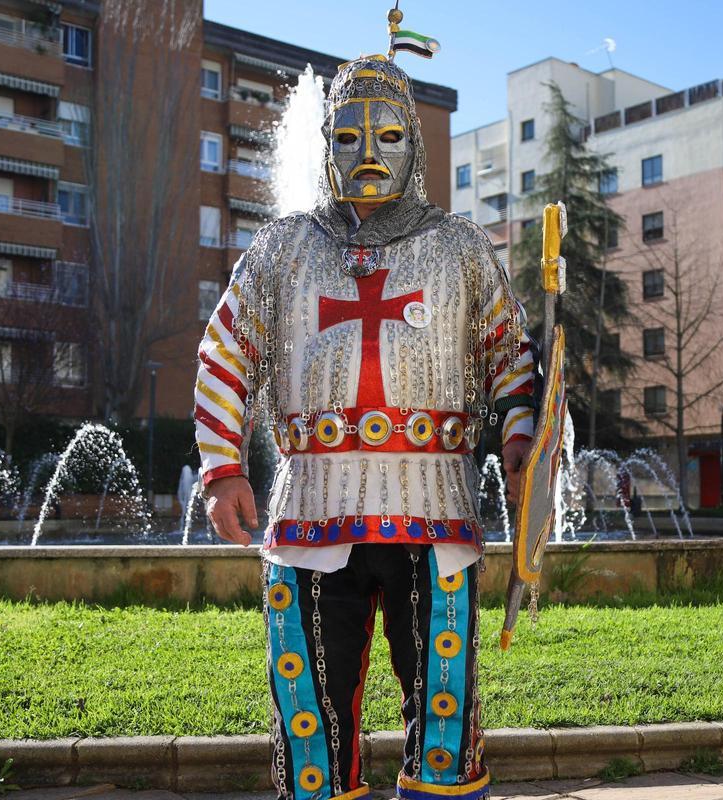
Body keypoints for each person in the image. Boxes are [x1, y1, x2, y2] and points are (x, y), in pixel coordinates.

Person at [194, 53, 538, 800]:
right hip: (310, 511)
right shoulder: (284, 247)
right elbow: (225, 350)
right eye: (348, 138)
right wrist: (222, 468)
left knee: (444, 716)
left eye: (387, 136)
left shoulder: (461, 247)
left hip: (435, 514)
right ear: (326, 145)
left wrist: (520, 437)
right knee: (310, 717)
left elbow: (511, 352)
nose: (369, 153)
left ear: (414, 144)